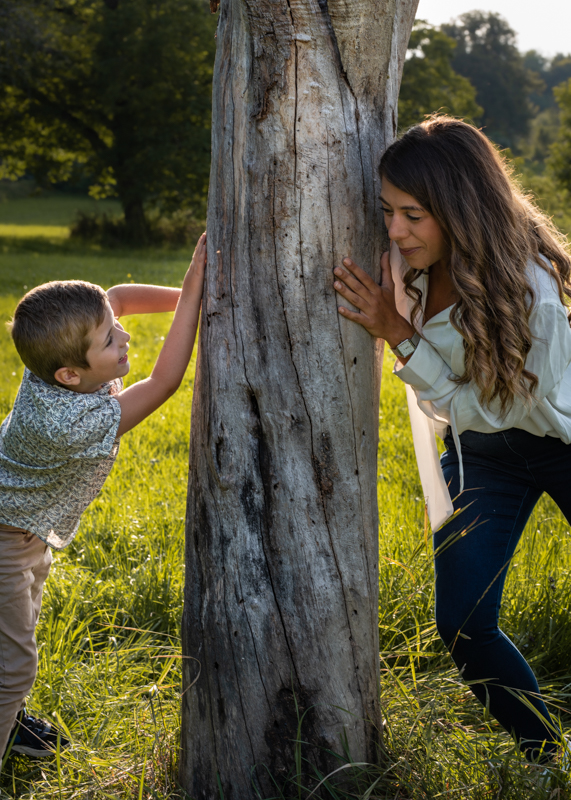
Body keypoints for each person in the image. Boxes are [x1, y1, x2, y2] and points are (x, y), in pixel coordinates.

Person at [333, 115, 571, 763]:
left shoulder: (532, 293)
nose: (394, 231)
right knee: (463, 625)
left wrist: (399, 337)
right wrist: (395, 322)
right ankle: (545, 759)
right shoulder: (408, 267)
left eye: (412, 215)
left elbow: (482, 407)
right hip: (482, 456)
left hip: (558, 442)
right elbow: (470, 420)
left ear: (460, 209)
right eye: (387, 212)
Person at [0, 232, 206, 761]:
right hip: (5, 537)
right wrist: (193, 289)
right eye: (111, 341)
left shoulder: (58, 359)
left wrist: (190, 298)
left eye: (116, 331)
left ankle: (11, 720)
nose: (125, 339)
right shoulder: (71, 420)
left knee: (15, 635)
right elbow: (163, 382)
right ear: (70, 374)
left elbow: (118, 295)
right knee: (15, 663)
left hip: (25, 529)